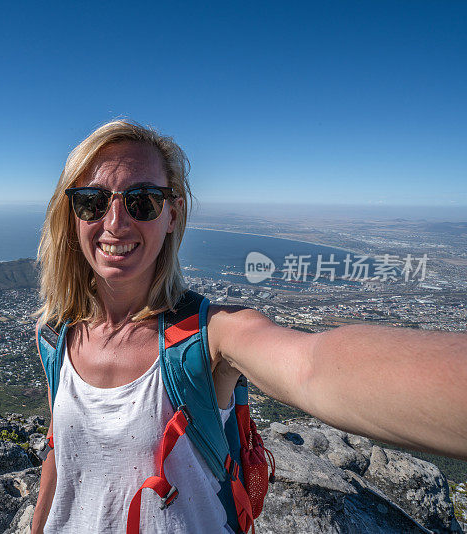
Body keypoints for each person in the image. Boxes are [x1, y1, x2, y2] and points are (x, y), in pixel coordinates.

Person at [30, 119, 467, 534]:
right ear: (71, 215)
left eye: (142, 200)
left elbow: (311, 367)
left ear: (172, 215)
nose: (115, 222)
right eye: (92, 200)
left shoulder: (211, 336)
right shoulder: (56, 335)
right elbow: (59, 451)